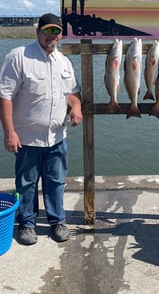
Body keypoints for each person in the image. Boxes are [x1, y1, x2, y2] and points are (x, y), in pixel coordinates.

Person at [0, 13, 83, 245]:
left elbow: (72, 94)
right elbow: (4, 95)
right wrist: (10, 132)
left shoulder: (64, 62)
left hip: (58, 136)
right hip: (26, 137)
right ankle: (27, 224)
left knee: (56, 181)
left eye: (56, 31)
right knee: (26, 182)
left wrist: (76, 108)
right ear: (38, 32)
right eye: (47, 31)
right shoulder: (19, 56)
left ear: (61, 35)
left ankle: (58, 221)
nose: (52, 36)